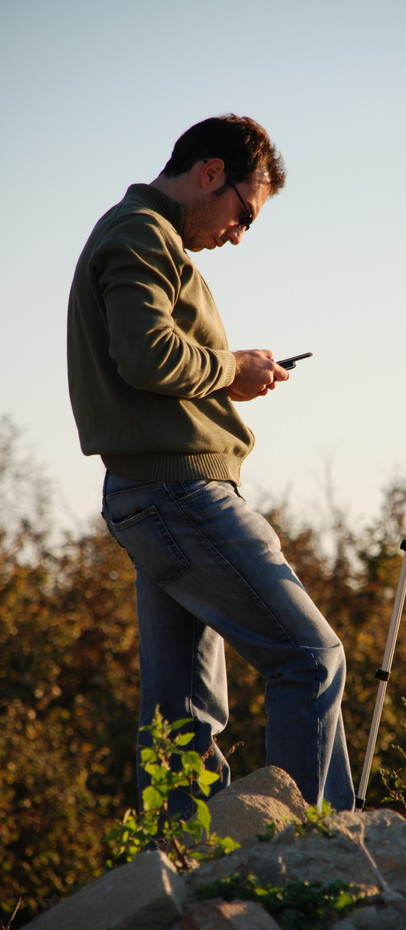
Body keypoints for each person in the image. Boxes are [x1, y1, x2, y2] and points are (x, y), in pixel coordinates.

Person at [67, 114, 356, 816]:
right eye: (244, 215)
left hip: (153, 496)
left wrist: (233, 372)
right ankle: (313, 860)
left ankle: (190, 880)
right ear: (210, 175)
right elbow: (146, 355)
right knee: (309, 660)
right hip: (181, 494)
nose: (238, 234)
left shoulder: (143, 234)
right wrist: (232, 369)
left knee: (179, 718)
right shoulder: (142, 233)